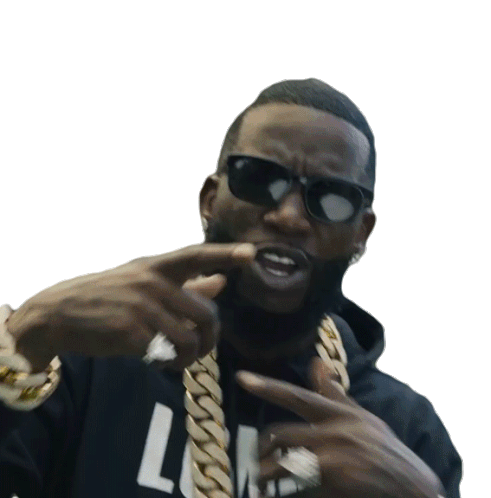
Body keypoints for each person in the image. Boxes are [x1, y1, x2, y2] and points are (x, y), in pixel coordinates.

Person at [0, 78, 462, 498]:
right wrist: (23, 336)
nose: (289, 217)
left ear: (361, 234)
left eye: (331, 198)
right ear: (209, 200)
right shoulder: (81, 364)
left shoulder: (405, 432)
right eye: (259, 178)